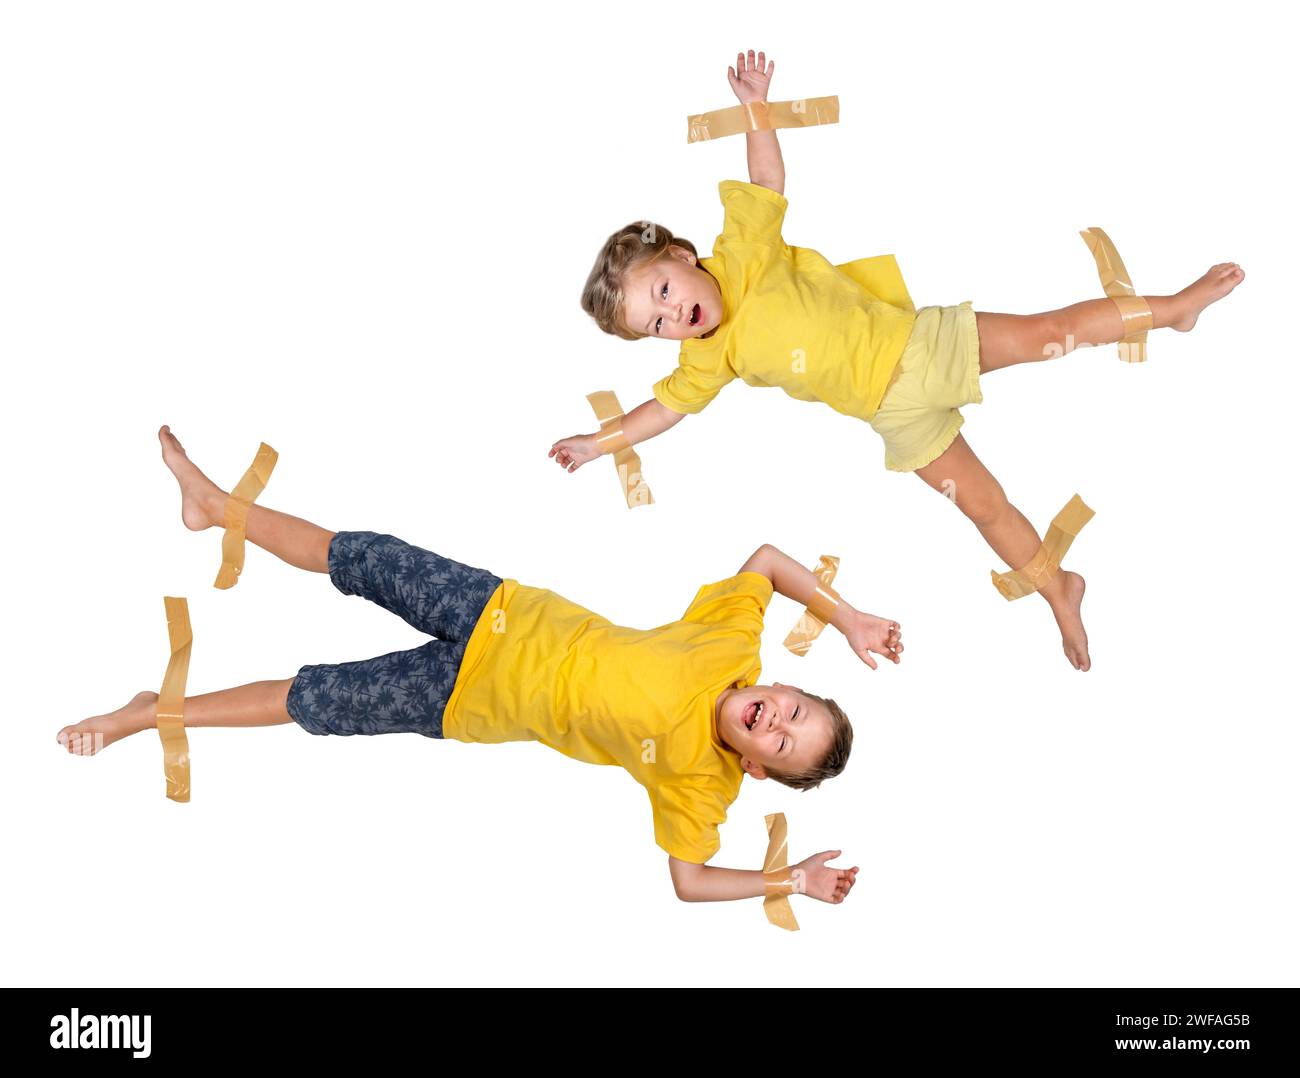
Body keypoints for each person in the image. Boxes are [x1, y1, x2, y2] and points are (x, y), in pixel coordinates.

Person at [554, 48, 1245, 671]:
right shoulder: (708, 359)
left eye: (665, 292)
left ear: (679, 255)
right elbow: (661, 412)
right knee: (985, 507)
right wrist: (598, 441)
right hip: (895, 418)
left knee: (1050, 331)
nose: (675, 316)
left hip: (923, 347)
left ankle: (1173, 307)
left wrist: (755, 106)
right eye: (657, 325)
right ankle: (1057, 588)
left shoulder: (744, 252)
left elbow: (767, 175)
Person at [57, 427, 907, 907]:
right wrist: (848, 616)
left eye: (786, 743)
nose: (778, 720)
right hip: (498, 607)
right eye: (793, 707)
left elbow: (688, 881)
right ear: (778, 686)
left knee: (310, 698)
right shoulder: (728, 645)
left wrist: (789, 877)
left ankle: (147, 714)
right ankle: (216, 508)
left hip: (460, 699)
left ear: (759, 770)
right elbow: (763, 558)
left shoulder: (701, 786)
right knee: (359, 554)